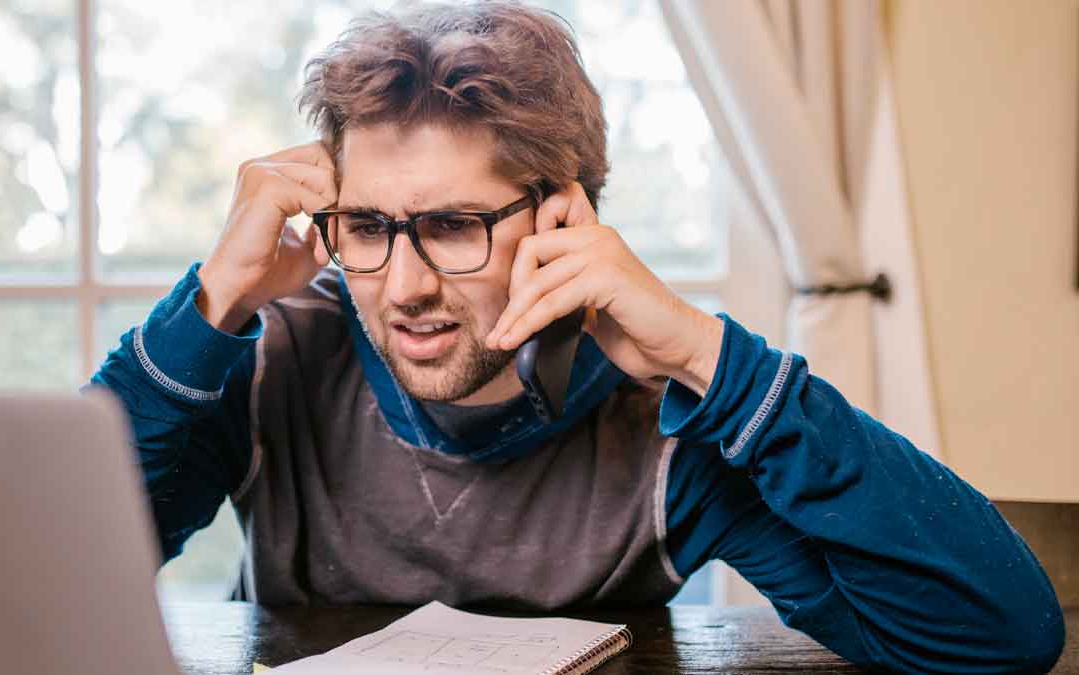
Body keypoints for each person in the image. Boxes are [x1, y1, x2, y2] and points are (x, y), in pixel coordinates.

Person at [86, 2, 1064, 672]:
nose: (406, 288)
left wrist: (703, 355)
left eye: (457, 226)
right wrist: (211, 303)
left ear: (565, 220)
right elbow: (52, 573)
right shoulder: (271, 362)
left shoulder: (666, 426)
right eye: (372, 227)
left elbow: (993, 638)